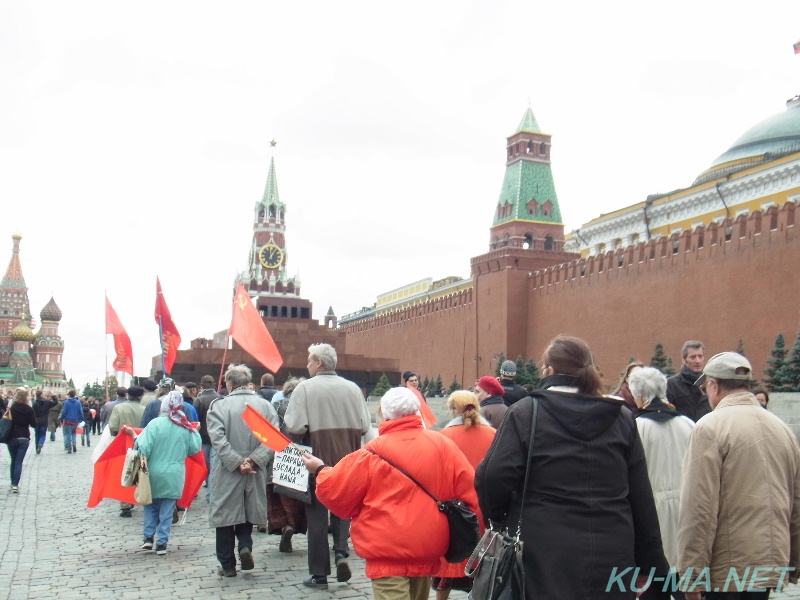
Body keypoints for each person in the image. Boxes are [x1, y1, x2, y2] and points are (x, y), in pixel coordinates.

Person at [476, 335, 668, 600]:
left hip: (543, 548)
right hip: (612, 545)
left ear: (549, 371)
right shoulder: (622, 417)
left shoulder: (525, 413)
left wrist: (498, 519)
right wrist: (650, 562)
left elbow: (491, 476)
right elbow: (640, 496)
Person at [300, 387, 479, 598]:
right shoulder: (443, 446)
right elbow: (470, 492)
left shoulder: (370, 453)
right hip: (427, 546)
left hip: (387, 552)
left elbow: (338, 495)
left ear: (384, 414)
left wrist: (320, 470)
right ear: (416, 411)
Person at [678, 352, 800, 600]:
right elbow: (796, 504)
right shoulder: (782, 430)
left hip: (725, 571)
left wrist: (691, 578)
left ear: (714, 385)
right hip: (769, 563)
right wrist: (794, 562)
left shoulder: (710, 428)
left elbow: (698, 508)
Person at [284, 343, 372, 589]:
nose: (307, 364)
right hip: (350, 460)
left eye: (309, 360)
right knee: (344, 510)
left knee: (317, 519)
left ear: (319, 362)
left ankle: (319, 573)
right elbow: (366, 426)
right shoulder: (353, 389)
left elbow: (295, 427)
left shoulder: (305, 388)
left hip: (317, 461)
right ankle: (342, 553)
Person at [207, 364, 279, 577]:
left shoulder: (219, 406)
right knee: (248, 510)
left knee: (225, 514)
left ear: (229, 383)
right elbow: (272, 438)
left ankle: (227, 565)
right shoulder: (265, 406)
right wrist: (254, 460)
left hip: (228, 469)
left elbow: (217, 439)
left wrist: (237, 462)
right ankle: (245, 545)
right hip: (255, 469)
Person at [629, 367, 694, 600]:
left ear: (638, 395)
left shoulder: (635, 428)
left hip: (650, 522)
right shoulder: (689, 425)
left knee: (653, 587)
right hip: (685, 517)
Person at [431, 390, 495, 600]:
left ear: (452, 410)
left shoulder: (441, 438)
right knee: (483, 567)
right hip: (485, 510)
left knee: (448, 570)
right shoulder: (493, 435)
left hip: (454, 513)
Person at [125, 391, 202, 556]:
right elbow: (194, 449)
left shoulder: (154, 424)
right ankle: (162, 543)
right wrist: (196, 431)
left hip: (152, 471)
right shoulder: (185, 426)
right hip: (174, 473)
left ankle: (148, 538)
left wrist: (133, 436)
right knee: (167, 510)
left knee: (150, 506)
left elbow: (142, 447)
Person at [265, 377, 308, 550]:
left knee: (277, 496)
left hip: (278, 455)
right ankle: (293, 524)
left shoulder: (276, 406)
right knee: (296, 497)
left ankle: (284, 526)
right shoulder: (306, 407)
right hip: (300, 457)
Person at [666, 341, 710, 422]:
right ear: (684, 359)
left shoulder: (710, 384)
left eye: (700, 356)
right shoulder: (671, 385)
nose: (698, 361)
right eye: (693, 357)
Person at [5, 388, 38, 492]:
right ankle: (15, 485)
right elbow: (34, 424)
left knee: (13, 461)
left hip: (12, 437)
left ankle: (12, 483)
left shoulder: (12, 408)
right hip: (24, 437)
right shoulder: (29, 409)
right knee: (19, 462)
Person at [195, 375, 219, 501]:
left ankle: (197, 491)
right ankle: (211, 494)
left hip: (202, 438)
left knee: (205, 468)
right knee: (214, 468)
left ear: (202, 386)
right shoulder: (221, 399)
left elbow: (195, 420)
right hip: (217, 437)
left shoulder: (199, 400)